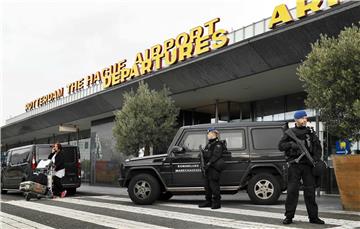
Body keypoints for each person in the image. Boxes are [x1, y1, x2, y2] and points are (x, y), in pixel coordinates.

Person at [278, 110, 324, 225]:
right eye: (302, 118)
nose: (304, 120)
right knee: (292, 191)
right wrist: (291, 145)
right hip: (294, 165)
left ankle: (313, 217)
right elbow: (280, 146)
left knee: (310, 191)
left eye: (305, 118)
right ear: (296, 120)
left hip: (308, 166)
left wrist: (316, 160)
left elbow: (318, 148)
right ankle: (289, 217)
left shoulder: (310, 132)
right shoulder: (289, 133)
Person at [198, 128, 226, 209]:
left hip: (214, 168)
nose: (208, 135)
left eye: (209, 133)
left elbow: (216, 156)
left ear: (214, 134)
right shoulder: (209, 144)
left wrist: (209, 164)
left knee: (214, 186)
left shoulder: (218, 144)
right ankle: (208, 201)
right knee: (207, 186)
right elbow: (207, 155)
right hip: (207, 169)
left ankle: (217, 203)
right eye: (208, 134)